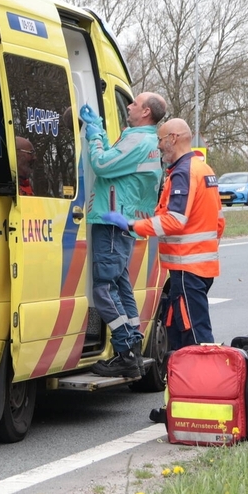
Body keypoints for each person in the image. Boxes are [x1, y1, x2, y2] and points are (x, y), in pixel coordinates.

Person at [102, 117, 225, 352]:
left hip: (187, 268)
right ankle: (184, 382)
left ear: (173, 138)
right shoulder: (203, 169)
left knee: (195, 337)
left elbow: (175, 220)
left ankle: (202, 384)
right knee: (179, 330)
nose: (158, 146)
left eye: (160, 140)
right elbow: (219, 222)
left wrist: (132, 225)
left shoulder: (183, 173)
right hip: (198, 267)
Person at [82, 93, 167, 378]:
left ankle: (125, 348)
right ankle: (132, 343)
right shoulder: (146, 140)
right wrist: (103, 134)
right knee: (120, 285)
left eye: (133, 103)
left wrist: (94, 136)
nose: (128, 106)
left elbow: (103, 165)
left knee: (103, 288)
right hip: (125, 221)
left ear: (145, 112)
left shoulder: (137, 140)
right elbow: (117, 167)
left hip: (111, 220)